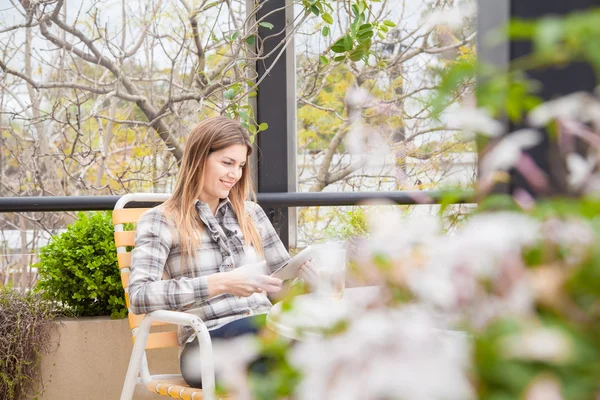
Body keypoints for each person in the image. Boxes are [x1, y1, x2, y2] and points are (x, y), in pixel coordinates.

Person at [128, 116, 309, 388]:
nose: (234, 174)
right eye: (227, 163)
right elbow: (140, 296)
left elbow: (282, 286)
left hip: (266, 331)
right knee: (293, 343)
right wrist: (222, 283)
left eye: (240, 166)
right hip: (206, 346)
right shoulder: (162, 220)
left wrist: (307, 276)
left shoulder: (251, 215)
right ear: (199, 158)